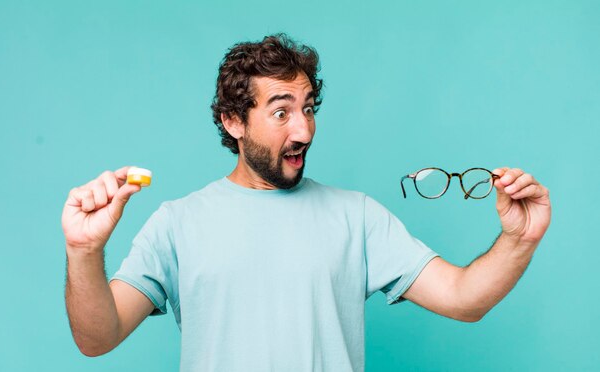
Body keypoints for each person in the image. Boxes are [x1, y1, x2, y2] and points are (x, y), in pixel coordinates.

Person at [62, 34, 551, 371]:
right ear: (234, 121)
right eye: (281, 112)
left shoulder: (356, 217)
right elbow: (96, 339)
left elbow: (464, 299)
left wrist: (519, 239)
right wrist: (84, 253)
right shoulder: (177, 223)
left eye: (308, 108)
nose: (304, 130)